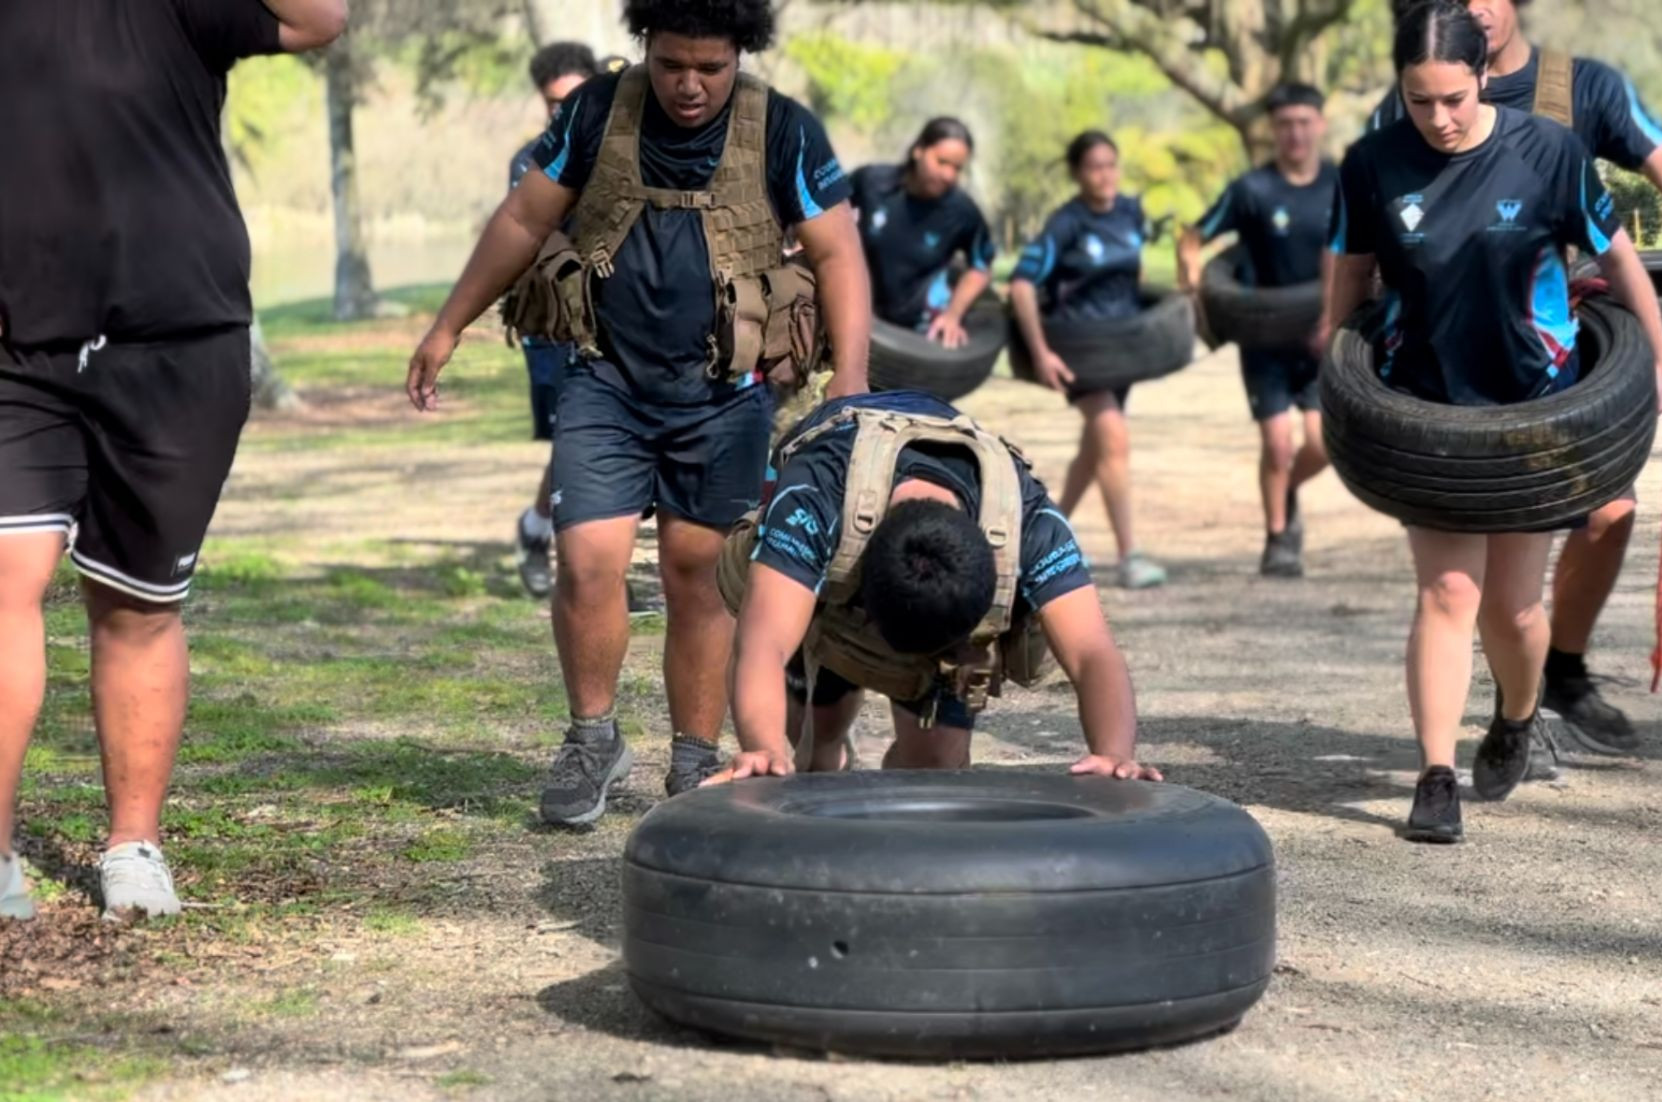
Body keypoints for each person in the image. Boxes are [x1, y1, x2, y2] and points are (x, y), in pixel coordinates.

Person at [405, 0, 871, 826]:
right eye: (671, 65)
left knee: (697, 576)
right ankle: (591, 739)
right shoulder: (594, 111)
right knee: (585, 560)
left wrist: (850, 381)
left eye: (710, 69)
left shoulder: (784, 129)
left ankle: (692, 758)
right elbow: (522, 218)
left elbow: (837, 252)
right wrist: (448, 325)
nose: (689, 86)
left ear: (740, 56)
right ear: (646, 47)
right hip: (604, 381)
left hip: (725, 397)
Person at [0, 0, 349, 923]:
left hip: (178, 338)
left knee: (137, 605)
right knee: (4, 576)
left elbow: (321, 18)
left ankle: (133, 846)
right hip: (15, 345)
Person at [1318, 1, 1662, 842]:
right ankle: (1434, 777)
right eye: (1418, 100)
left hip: (1535, 410)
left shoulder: (1549, 153)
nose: (1437, 119)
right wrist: (1332, 379)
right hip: (1426, 409)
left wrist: (1651, 368)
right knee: (1446, 591)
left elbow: (1619, 265)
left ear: (1483, 76)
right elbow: (1349, 283)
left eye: (1452, 98)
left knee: (1511, 611)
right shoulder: (1371, 164)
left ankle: (1516, 713)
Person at [1372, 0, 1662, 756]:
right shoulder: (1412, 95)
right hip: (1449, 360)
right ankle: (1487, 715)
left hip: (1563, 351)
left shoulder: (1585, 89)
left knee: (1609, 513)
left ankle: (1563, 667)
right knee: (1466, 571)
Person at [709, 389, 1162, 783]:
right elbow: (762, 643)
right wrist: (762, 749)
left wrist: (1114, 752)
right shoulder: (814, 496)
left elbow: (1092, 650)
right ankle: (828, 750)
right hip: (838, 574)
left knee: (936, 767)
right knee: (809, 743)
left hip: (928, 602)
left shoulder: (1028, 522)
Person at [1179, 84, 1345, 578]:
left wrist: (1333, 316)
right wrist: (1194, 285)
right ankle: (1278, 539)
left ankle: (1285, 489)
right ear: (1273, 130)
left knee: (1325, 445)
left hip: (1320, 335)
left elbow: (1353, 251)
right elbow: (1194, 235)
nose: (1295, 132)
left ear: (1319, 124)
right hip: (1263, 340)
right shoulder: (1251, 190)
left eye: (1303, 122)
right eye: (1285, 124)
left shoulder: (1342, 183)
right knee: (1275, 443)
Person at [1009, 132, 1170, 591]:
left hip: (1120, 349)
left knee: (1094, 449)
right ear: (1078, 173)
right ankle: (1129, 556)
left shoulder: (1130, 213)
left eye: (1111, 165)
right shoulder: (1066, 224)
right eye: (1095, 167)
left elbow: (1133, 276)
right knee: (1113, 437)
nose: (1105, 175)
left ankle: (1038, 538)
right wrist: (1042, 354)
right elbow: (1021, 285)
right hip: (1079, 352)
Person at [509, 41, 598, 600]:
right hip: (554, 325)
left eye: (574, 100)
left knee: (591, 444)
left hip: (619, 322)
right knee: (574, 444)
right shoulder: (531, 160)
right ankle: (550, 542)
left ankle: (555, 542)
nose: (562, 113)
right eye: (552, 103)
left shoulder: (634, 148)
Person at [851, 118, 999, 348]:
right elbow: (824, 215)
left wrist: (953, 315)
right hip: (856, 307)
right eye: (942, 162)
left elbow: (981, 267)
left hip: (917, 326)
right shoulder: (871, 182)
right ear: (918, 150)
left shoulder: (963, 213)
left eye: (957, 168)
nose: (949, 175)